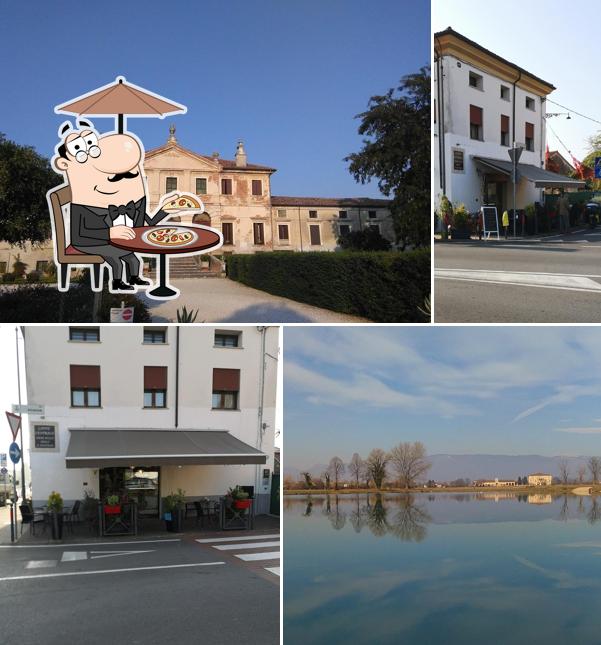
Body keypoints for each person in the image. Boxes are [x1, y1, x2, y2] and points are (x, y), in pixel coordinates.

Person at [51, 120, 177, 292]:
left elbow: (149, 222)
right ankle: (117, 282)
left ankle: (134, 277)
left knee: (133, 259)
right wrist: (109, 232)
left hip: (110, 238)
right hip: (86, 241)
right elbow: (80, 233)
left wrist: (166, 209)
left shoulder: (125, 203)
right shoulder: (83, 204)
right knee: (116, 257)